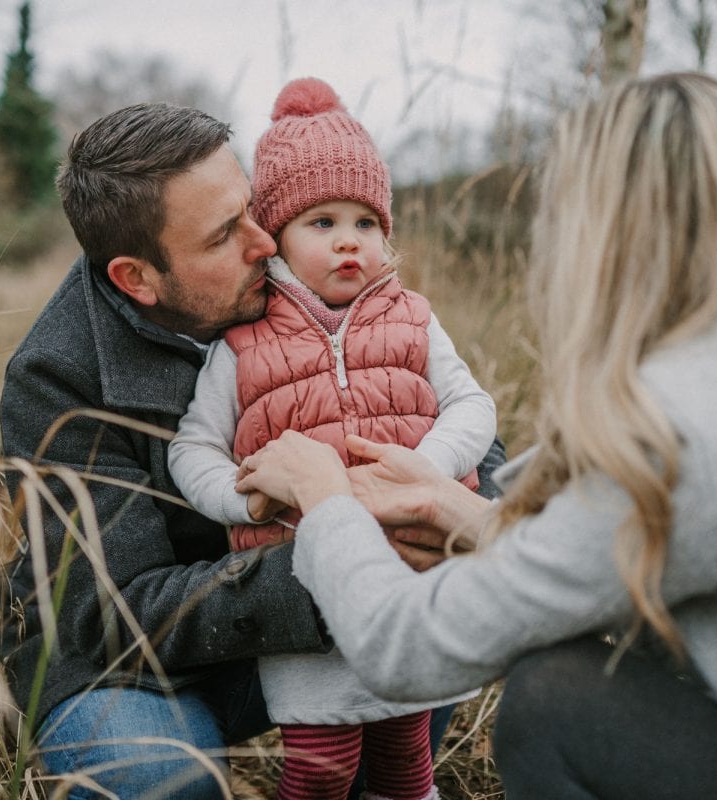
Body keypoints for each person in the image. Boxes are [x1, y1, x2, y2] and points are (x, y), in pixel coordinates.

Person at [234, 72, 717, 800]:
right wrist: (466, 516)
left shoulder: (689, 429)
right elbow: (657, 546)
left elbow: (404, 650)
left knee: (556, 702)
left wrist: (324, 494)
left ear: (602, 239)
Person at [0, 101, 505, 798]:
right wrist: (349, 555)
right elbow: (114, 613)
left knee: (418, 633)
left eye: (251, 209)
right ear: (136, 278)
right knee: (161, 776)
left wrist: (458, 519)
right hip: (130, 662)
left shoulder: (291, 279)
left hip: (294, 602)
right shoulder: (56, 380)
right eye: (223, 236)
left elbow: (432, 413)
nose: (263, 242)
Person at [167, 77, 496, 800]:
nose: (349, 239)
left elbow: (473, 407)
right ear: (274, 237)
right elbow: (192, 447)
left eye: (365, 222)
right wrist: (244, 502)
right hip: (300, 588)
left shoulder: (413, 318)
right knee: (320, 766)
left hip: (407, 578)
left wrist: (428, 469)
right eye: (321, 222)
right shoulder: (244, 344)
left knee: (407, 763)